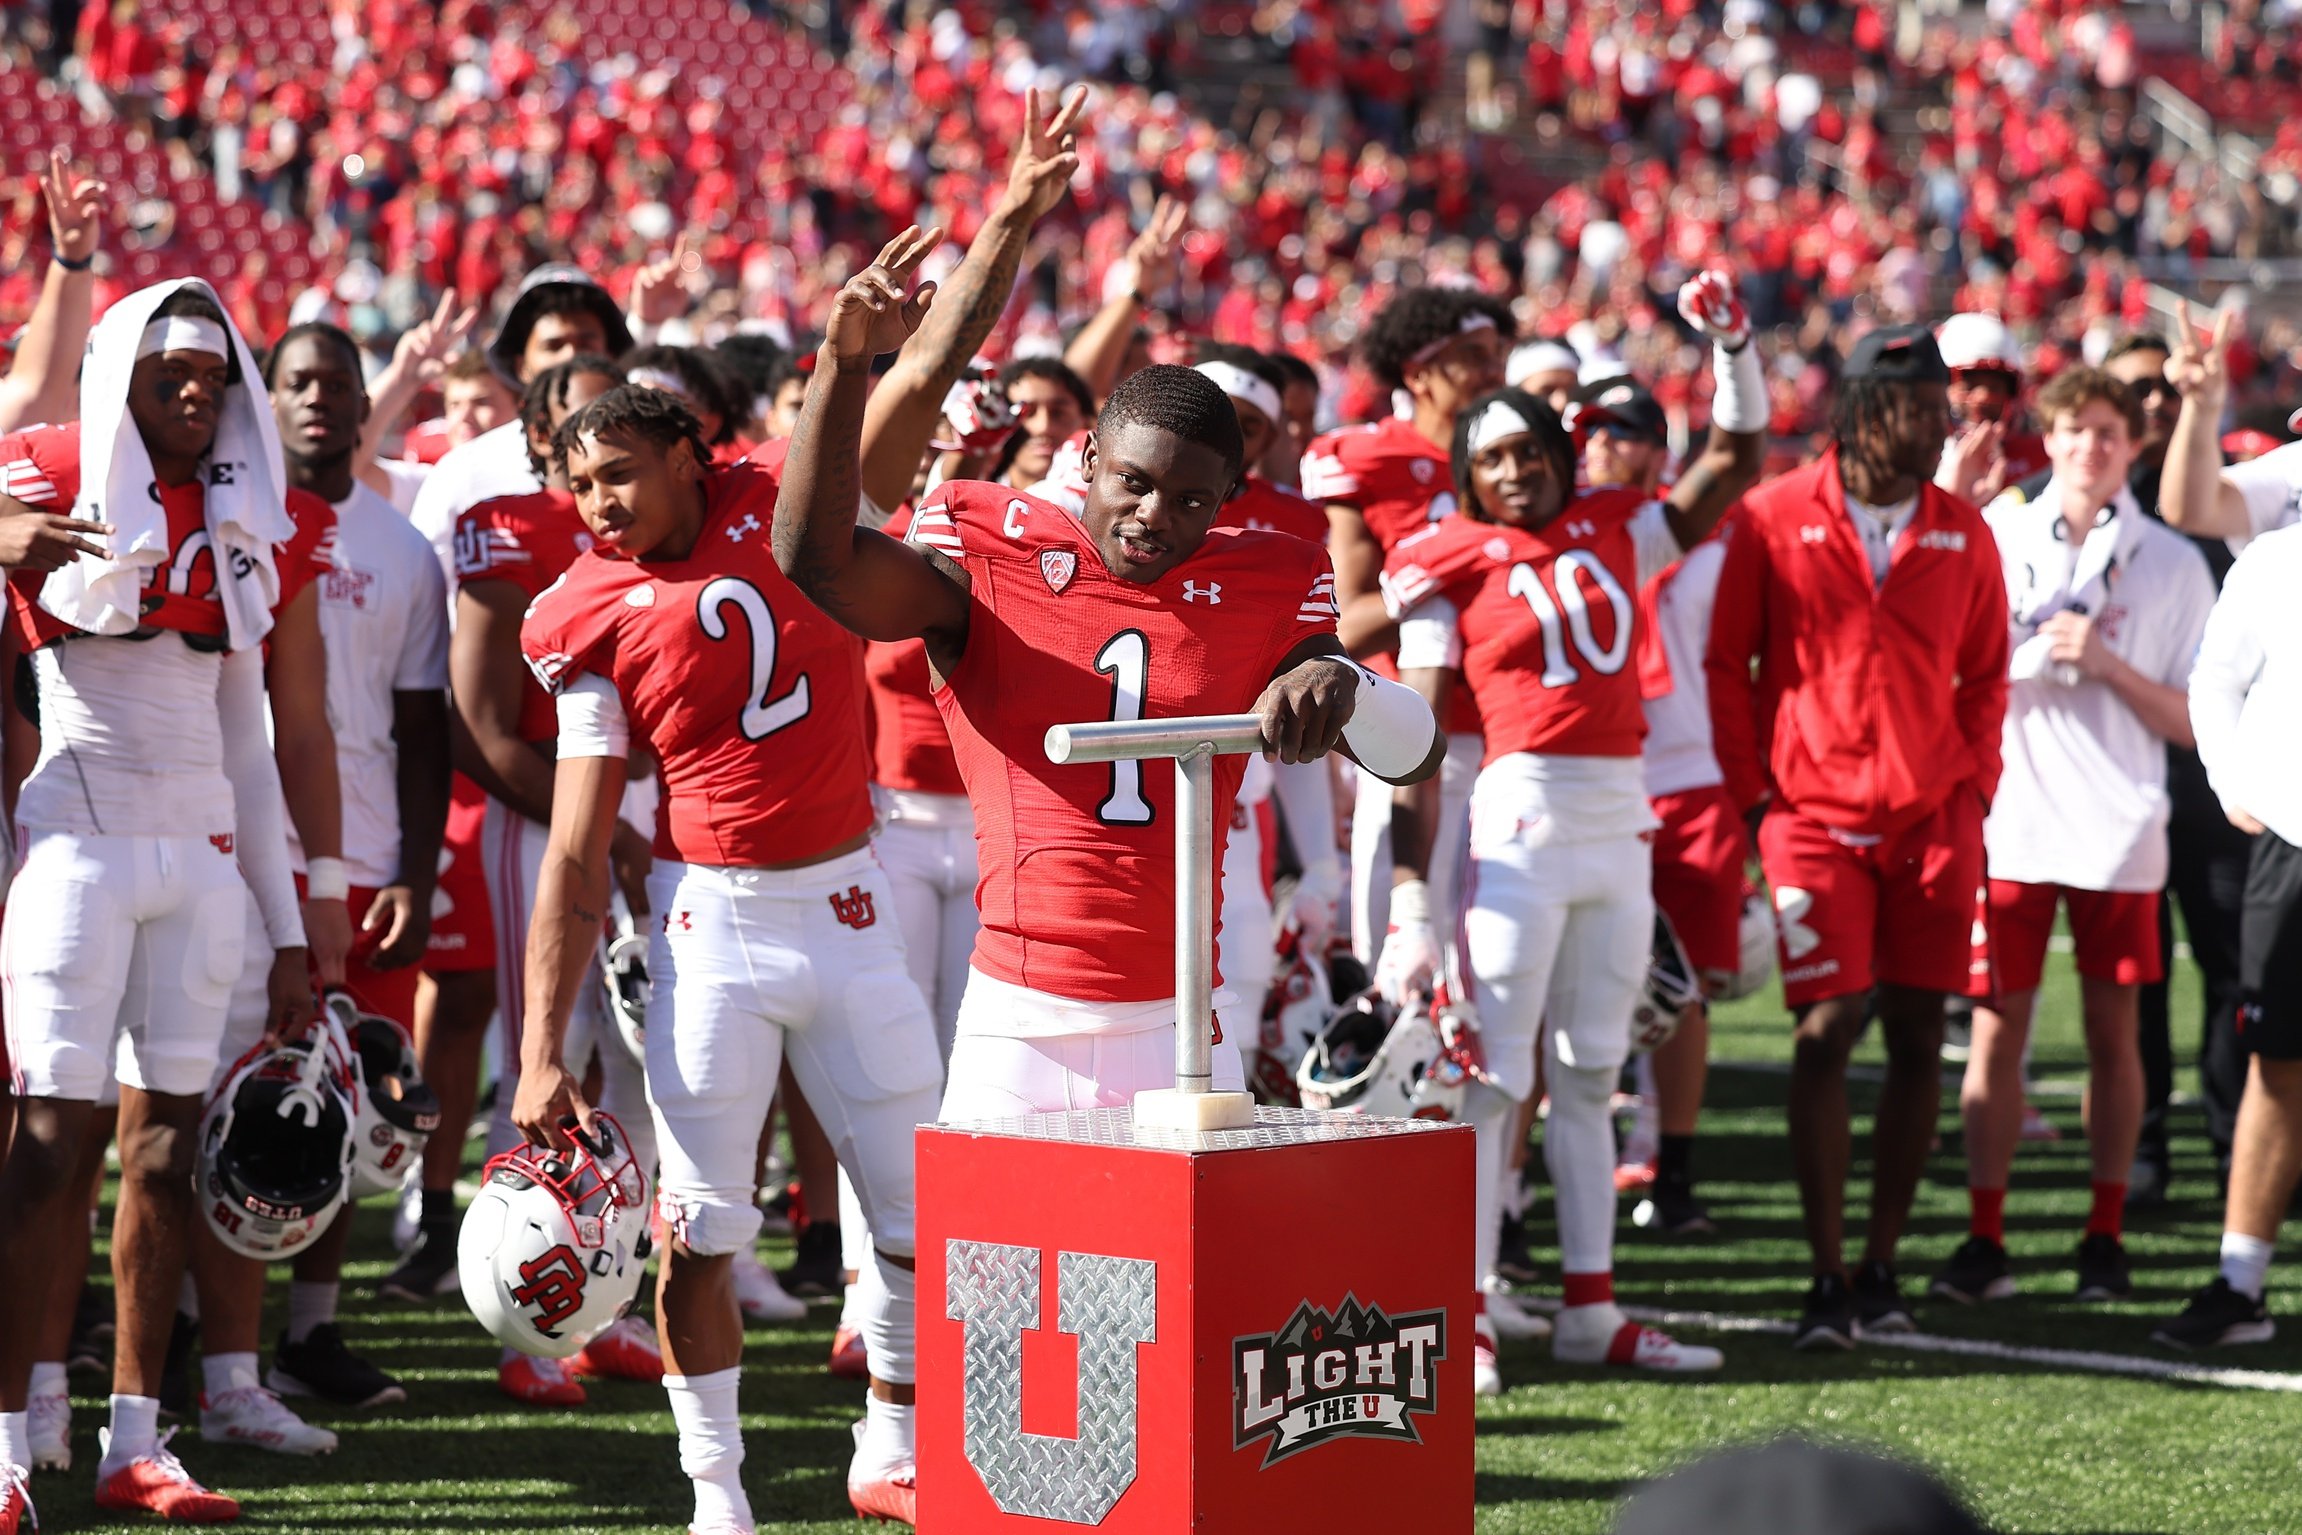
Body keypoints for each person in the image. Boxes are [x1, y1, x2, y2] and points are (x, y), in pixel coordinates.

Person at [775, 228, 1442, 1125]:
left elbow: (1415, 754)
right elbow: (815, 561)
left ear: (1228, 498)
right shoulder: (991, 544)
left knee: (1189, 1269)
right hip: (1017, 1015)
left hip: (1181, 1020)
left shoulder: (1270, 577)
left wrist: (1343, 681)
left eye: (1191, 499)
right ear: (1088, 458)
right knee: (988, 1264)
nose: (1153, 515)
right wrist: (841, 366)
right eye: (1132, 482)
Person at [517, 385, 943, 1528]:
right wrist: (538, 1048)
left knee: (915, 1207)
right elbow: (570, 846)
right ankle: (717, 1494)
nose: (599, 502)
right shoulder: (583, 609)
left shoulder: (784, 500)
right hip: (709, 918)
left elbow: (899, 407)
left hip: (852, 902)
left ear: (689, 457)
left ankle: (890, 1447)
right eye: (581, 482)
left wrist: (860, 343)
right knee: (701, 1225)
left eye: (618, 472)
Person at [1378, 269, 1766, 1392]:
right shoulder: (1445, 560)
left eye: (1527, 450)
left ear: (1560, 449)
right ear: (1468, 472)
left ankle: (1590, 1309)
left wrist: (1730, 347)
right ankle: (1470, 1307)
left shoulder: (1617, 524)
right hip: (1520, 823)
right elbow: (1410, 740)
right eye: (1490, 458)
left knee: (1591, 1074)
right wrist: (1410, 899)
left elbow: (1732, 460)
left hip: (1618, 822)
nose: (1511, 470)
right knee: (1494, 1079)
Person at [0, 279, 317, 1527]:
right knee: (43, 1148)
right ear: (118, 371)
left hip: (201, 859)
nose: (196, 387)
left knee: (167, 1153)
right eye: (168, 367)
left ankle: (138, 1430)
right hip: (74, 841)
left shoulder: (241, 514)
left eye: (213, 370)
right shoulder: (48, 470)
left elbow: (251, 745)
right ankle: (14, 1431)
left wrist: (291, 925)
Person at [1707, 324, 2010, 1351]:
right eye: (1926, 411)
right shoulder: (1771, 514)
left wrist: (1971, 791)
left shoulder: (1963, 530)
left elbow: (1984, 676)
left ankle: (1881, 1268)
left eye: (1944, 412)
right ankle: (1825, 1272)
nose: (1943, 430)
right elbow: (1725, 665)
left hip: (1932, 822)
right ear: (1870, 411)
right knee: (1826, 1028)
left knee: (1922, 1035)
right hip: (1811, 819)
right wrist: (1757, 804)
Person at [1931, 366, 2213, 1308]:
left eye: (2109, 430)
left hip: (2120, 829)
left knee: (2114, 1034)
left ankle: (2104, 1232)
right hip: (2008, 827)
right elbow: (1938, 667)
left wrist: (2106, 663)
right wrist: (2026, 653)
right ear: (2044, 440)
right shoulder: (1996, 535)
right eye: (2074, 428)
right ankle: (1984, 1235)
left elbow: (2194, 721)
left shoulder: (2171, 561)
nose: (2091, 445)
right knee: (1995, 1034)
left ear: (2135, 444)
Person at [382, 269, 633, 1309]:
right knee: (537, 1044)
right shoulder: (500, 511)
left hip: (640, 808)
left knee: (629, 1047)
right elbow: (479, 717)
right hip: (541, 803)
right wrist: (598, 823)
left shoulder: (654, 518)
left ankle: (606, 1265)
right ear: (540, 438)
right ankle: (498, 1269)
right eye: (575, 431)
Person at [1305, 284, 1513, 971]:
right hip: (1411, 741)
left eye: (1497, 354)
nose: (1492, 370)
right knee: (1397, 975)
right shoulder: (1371, 458)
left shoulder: (1519, 455)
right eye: (1471, 356)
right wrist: (1412, 581)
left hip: (1517, 739)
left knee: (1506, 972)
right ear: (1419, 371)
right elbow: (1342, 623)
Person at [2097, 330, 2249, 1205]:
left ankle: (2240, 1149)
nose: (2152, 405)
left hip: (2210, 778)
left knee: (2234, 969)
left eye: (2164, 389)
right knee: (2133, 977)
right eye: (2133, 391)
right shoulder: (2068, 499)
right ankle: (2142, 1141)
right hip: (2111, 776)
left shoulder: (2216, 490)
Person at [2153, 505, 2302, 1350]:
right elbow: (2213, 679)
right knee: (2277, 1061)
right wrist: (2228, 778)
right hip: (2293, 841)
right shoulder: (2274, 559)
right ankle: (2240, 1281)